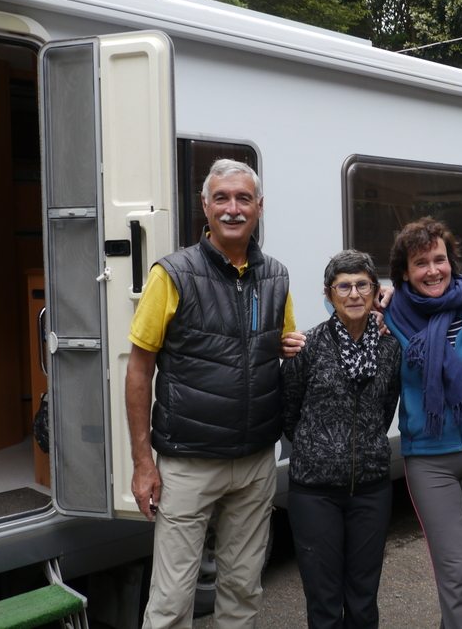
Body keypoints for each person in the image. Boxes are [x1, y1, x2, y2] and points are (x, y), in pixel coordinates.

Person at [125, 158, 305, 629]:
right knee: (171, 600)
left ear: (259, 207)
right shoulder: (173, 274)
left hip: (254, 463)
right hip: (188, 462)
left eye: (243, 198)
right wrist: (144, 464)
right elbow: (139, 370)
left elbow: (281, 344)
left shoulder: (276, 277)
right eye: (221, 198)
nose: (232, 208)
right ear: (204, 206)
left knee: (243, 590)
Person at [384, 218, 462, 629]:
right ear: (404, 273)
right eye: (420, 263)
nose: (433, 270)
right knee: (458, 569)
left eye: (439, 259)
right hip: (429, 459)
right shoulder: (391, 315)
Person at [281, 249, 402, 629]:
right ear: (328, 293)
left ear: (374, 289)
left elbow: (386, 409)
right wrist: (321, 449)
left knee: (364, 600)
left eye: (362, 285)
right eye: (343, 286)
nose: (353, 294)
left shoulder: (389, 347)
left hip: (371, 489)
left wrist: (362, 447)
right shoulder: (308, 346)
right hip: (314, 491)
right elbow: (289, 413)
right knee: (324, 601)